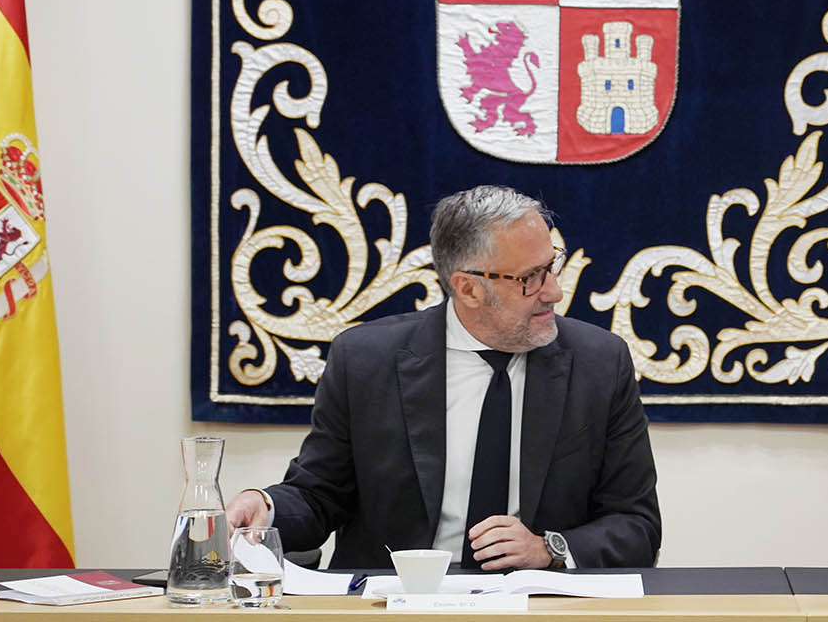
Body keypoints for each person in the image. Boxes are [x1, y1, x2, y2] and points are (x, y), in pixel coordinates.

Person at [225, 186, 661, 571]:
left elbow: (637, 524)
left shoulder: (600, 363)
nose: (554, 291)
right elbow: (320, 496)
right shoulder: (365, 361)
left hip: (537, 603)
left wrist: (550, 548)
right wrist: (266, 506)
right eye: (530, 278)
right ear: (468, 288)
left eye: (551, 266)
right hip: (399, 603)